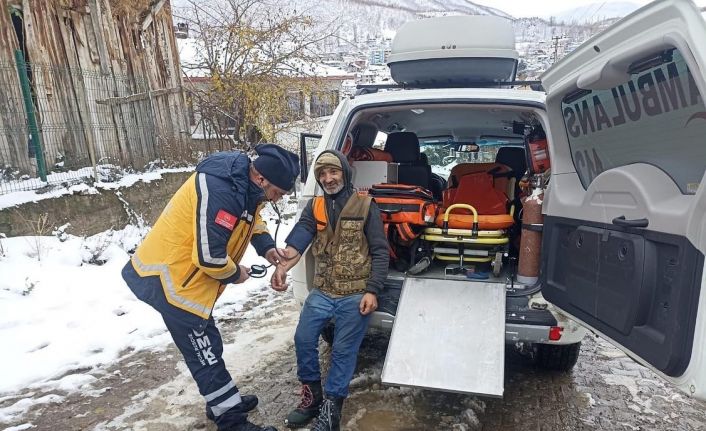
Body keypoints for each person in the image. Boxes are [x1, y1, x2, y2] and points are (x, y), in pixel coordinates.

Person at [122, 144, 300, 431]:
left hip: (189, 282)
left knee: (209, 344)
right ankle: (231, 421)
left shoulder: (243, 185)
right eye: (278, 193)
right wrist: (235, 273)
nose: (277, 199)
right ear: (263, 179)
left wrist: (266, 248)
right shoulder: (221, 190)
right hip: (170, 280)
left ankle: (221, 401)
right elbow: (209, 256)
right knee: (204, 353)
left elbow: (252, 219)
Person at [271, 150, 389, 431]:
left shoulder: (365, 204)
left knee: (343, 352)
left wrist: (372, 290)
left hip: (355, 292)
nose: (328, 178)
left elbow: (381, 252)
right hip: (323, 290)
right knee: (303, 339)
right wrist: (283, 264)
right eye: (322, 174)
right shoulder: (316, 207)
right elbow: (301, 235)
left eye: (333, 172)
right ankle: (312, 400)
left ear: (345, 174)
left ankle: (332, 410)